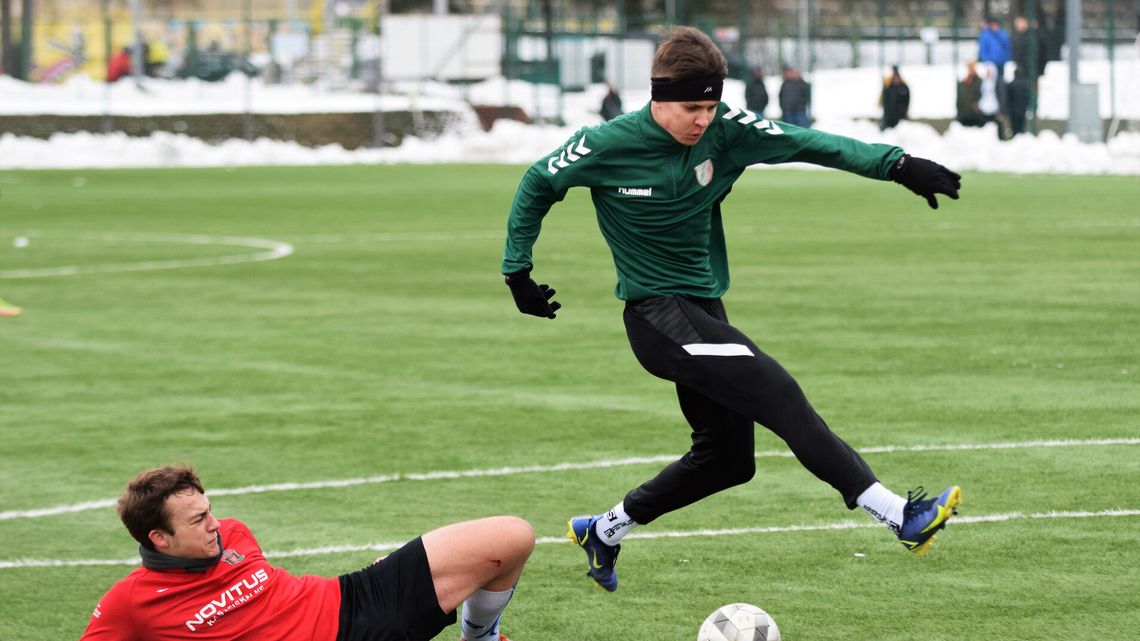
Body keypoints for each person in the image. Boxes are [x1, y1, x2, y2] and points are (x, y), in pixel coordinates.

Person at [501, 26, 963, 594]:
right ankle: (899, 515)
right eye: (692, 107)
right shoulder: (605, 143)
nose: (704, 119)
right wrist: (516, 273)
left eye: (712, 104)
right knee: (777, 389)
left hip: (704, 310)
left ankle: (603, 529)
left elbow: (810, 142)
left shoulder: (728, 131)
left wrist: (896, 164)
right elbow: (537, 183)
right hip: (656, 316)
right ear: (659, 98)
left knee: (727, 460)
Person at [79, 465, 533, 641]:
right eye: (198, 521)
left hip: (354, 598)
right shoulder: (129, 603)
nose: (216, 525)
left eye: (209, 510)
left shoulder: (233, 534)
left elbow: (284, 601)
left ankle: (480, 639)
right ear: (159, 538)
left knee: (511, 537)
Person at [977, 17, 1011, 115]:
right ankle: (989, 107)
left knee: (1000, 86)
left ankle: (1000, 107)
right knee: (990, 86)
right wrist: (988, 62)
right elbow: (983, 50)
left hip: (1001, 64)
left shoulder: (1002, 34)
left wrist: (1005, 59)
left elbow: (1007, 48)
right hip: (991, 65)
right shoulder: (986, 35)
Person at [956, 61, 987, 127]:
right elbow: (960, 98)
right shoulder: (963, 82)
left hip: (975, 115)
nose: (971, 69)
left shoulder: (979, 81)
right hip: (964, 114)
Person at [879, 65, 910, 130]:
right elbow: (884, 98)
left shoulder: (903, 87)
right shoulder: (888, 85)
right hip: (889, 113)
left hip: (900, 113)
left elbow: (906, 100)